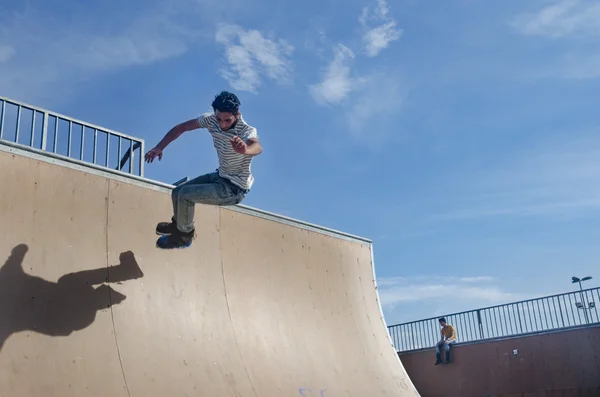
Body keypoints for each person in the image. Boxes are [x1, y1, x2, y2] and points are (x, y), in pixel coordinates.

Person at [144, 91, 262, 249]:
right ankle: (178, 225)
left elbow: (257, 146)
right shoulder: (210, 120)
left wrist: (245, 150)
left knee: (186, 196)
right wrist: (159, 147)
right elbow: (182, 128)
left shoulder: (246, 130)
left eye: (228, 120)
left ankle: (184, 236)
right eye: (219, 119)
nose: (222, 125)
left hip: (235, 188)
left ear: (237, 114)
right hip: (220, 176)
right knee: (177, 191)